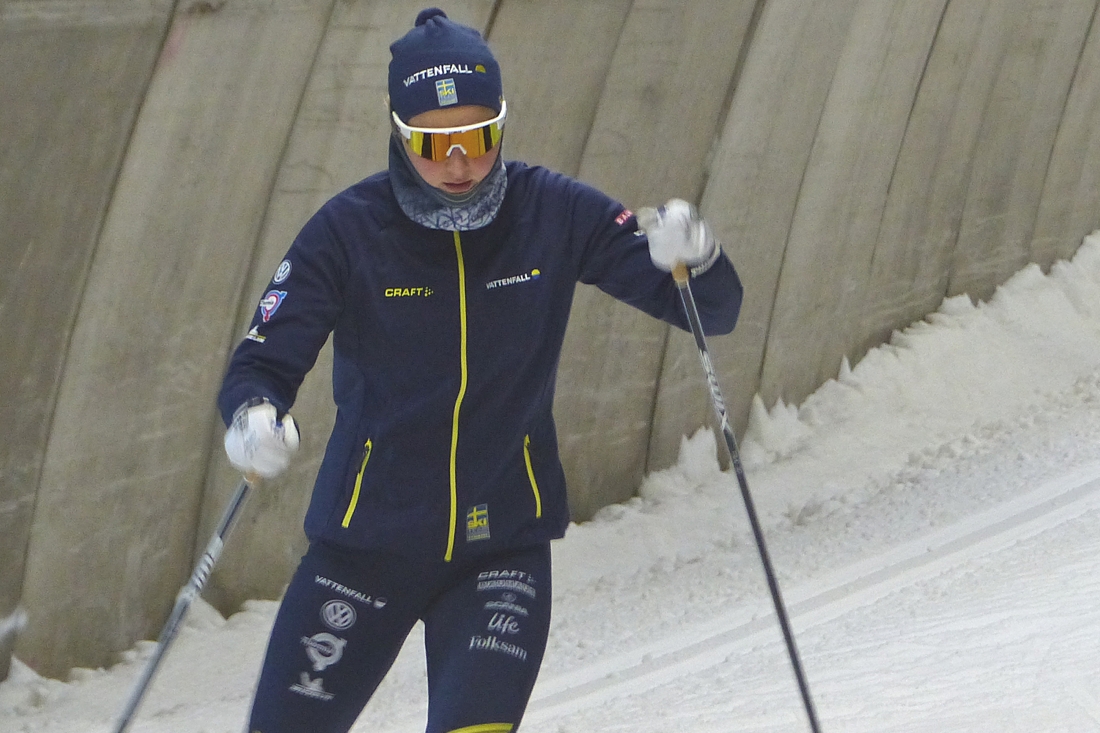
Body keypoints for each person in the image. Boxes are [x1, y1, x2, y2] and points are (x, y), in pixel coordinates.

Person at [218, 7, 743, 733]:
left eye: (480, 137)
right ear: (399, 134)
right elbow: (261, 361)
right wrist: (252, 420)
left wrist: (698, 256)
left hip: (500, 547)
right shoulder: (347, 233)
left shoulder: (553, 213)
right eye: (435, 145)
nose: (461, 163)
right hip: (368, 545)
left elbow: (708, 310)